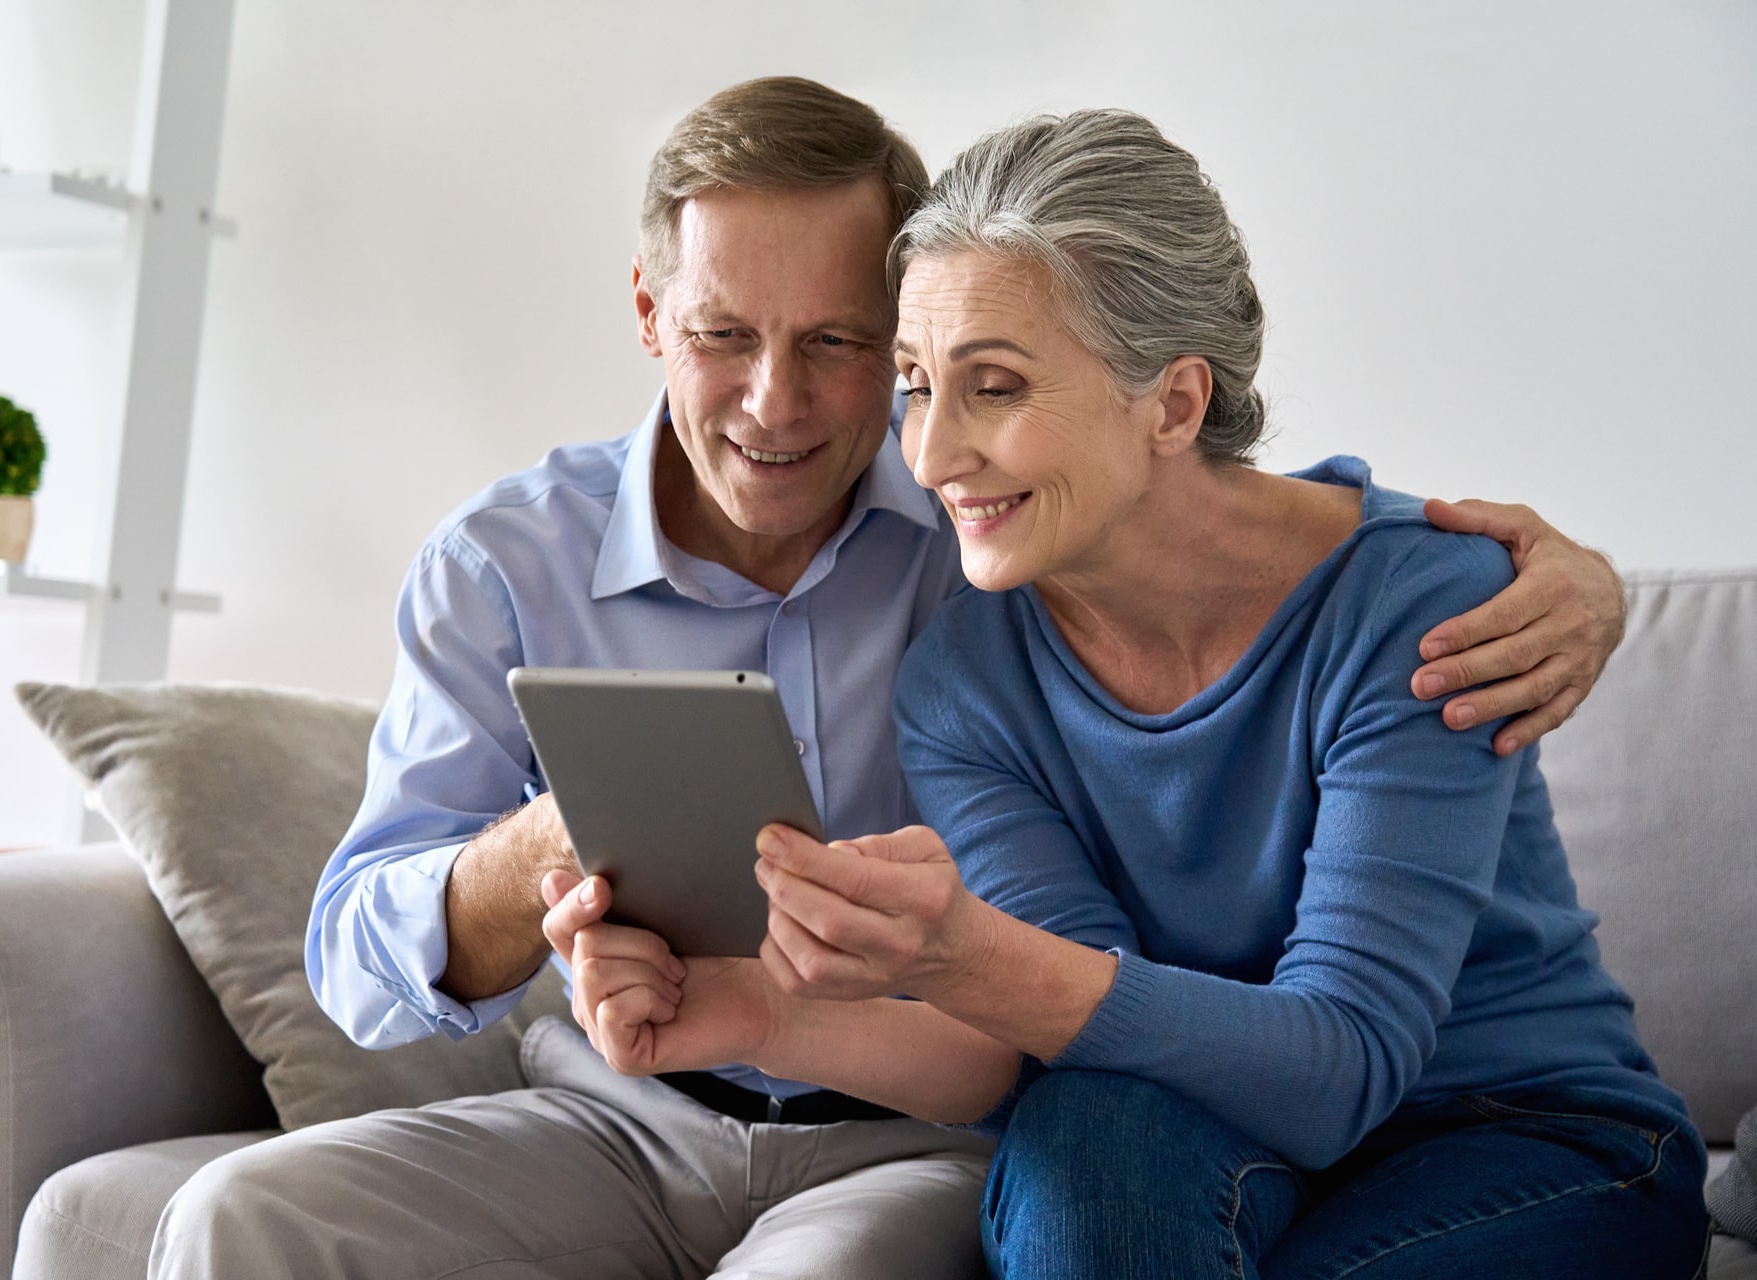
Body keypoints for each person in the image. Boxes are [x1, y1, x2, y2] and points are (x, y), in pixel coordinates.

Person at [151, 81, 1631, 1278]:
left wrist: (1577, 578)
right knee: (237, 1216)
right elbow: (355, 956)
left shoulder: (990, 553)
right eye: (727, 335)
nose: (804, 411)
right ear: (652, 314)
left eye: (854, 352)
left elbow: (1277, 1036)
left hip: (1108, 1129)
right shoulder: (955, 637)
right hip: (689, 1105)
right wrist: (585, 862)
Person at [551, 109, 1709, 1279]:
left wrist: (963, 952)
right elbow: (1069, 1039)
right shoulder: (964, 679)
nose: (933, 451)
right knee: (1090, 1130)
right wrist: (759, 1009)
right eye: (914, 384)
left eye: (993, 386)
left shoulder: (1421, 604)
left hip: (1512, 1137)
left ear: (1174, 403)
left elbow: (1344, 1065)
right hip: (1188, 1132)